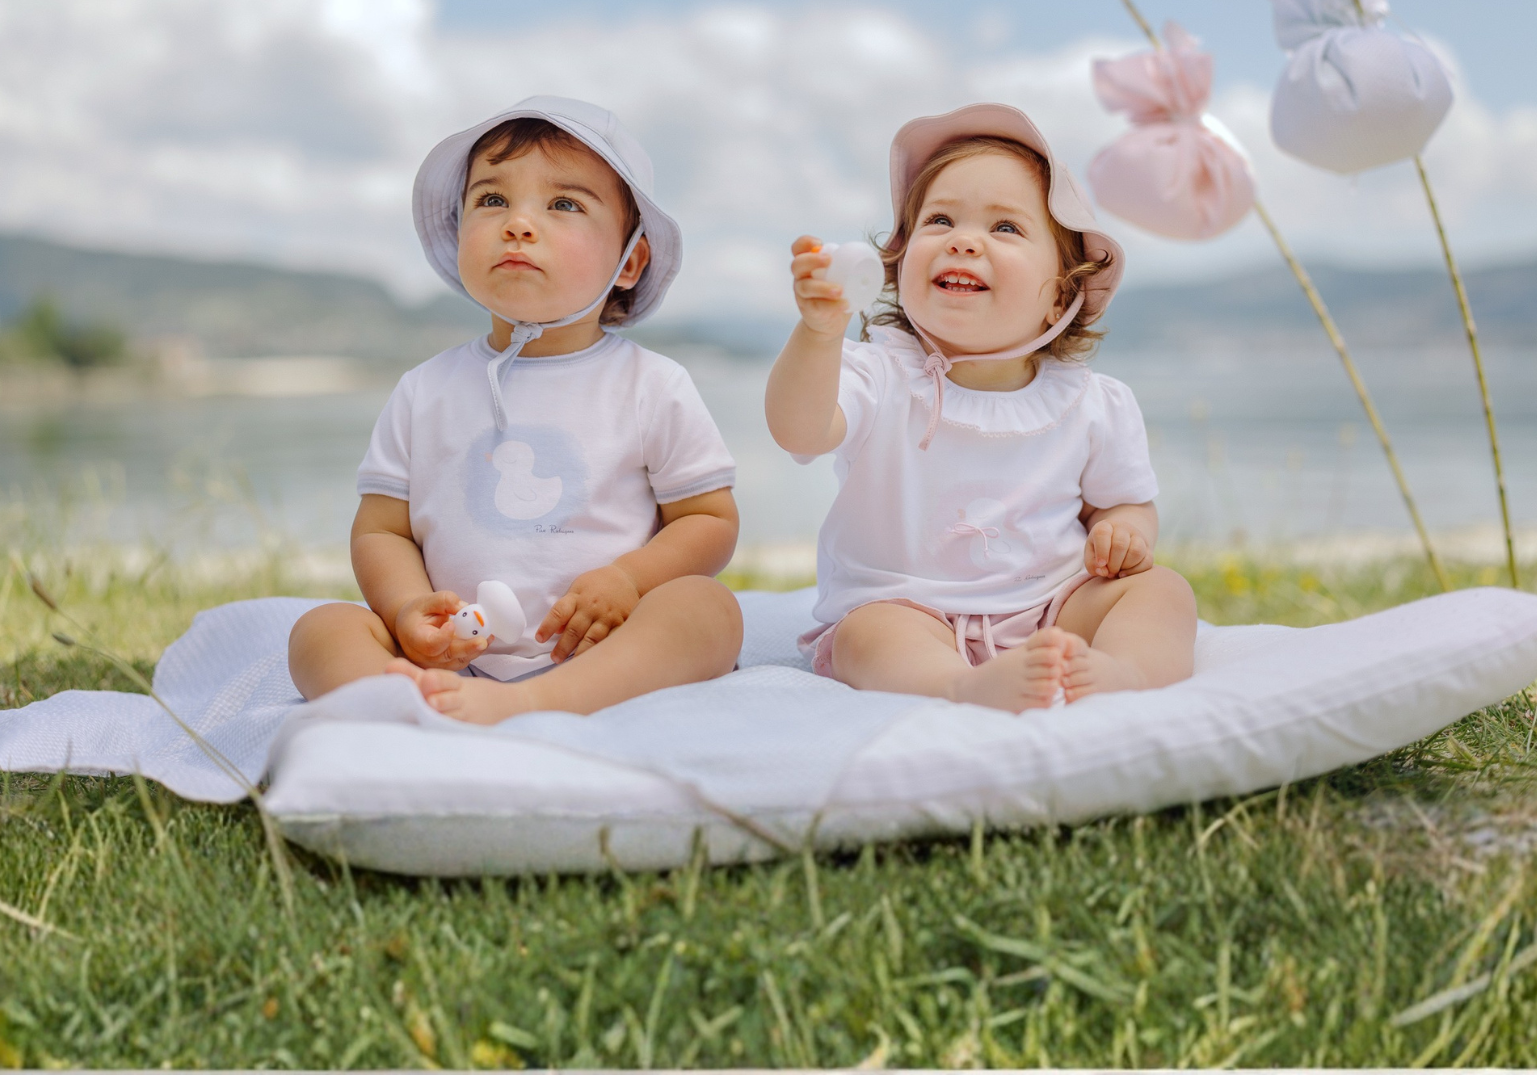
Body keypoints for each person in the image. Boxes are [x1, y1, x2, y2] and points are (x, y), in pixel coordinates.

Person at [288, 97, 742, 724]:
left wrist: (630, 580)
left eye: (564, 205)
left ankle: (534, 701)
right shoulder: (426, 390)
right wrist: (408, 611)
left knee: (705, 609)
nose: (519, 224)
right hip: (454, 652)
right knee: (321, 629)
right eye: (493, 200)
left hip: (604, 647)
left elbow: (708, 520)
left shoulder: (652, 385)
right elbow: (382, 530)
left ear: (629, 262)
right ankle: (412, 702)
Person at [765, 103, 1195, 713]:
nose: (964, 241)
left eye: (1006, 228)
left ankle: (1123, 671)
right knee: (869, 635)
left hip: (1054, 604)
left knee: (1160, 591)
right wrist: (817, 335)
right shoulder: (878, 371)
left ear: (1061, 296)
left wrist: (1123, 532)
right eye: (939, 220)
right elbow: (798, 432)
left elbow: (1122, 500)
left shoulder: (1091, 403)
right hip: (910, 607)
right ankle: (960, 687)